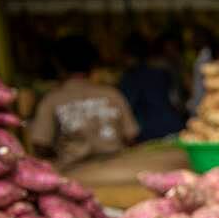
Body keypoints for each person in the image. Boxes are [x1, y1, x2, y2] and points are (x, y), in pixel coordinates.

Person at [30, 35, 139, 167]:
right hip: (116, 172)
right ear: (93, 63)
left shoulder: (52, 100)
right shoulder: (112, 94)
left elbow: (40, 145)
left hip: (75, 175)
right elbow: (131, 136)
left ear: (57, 64)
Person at [119, 33, 185, 141]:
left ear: (128, 55)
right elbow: (176, 101)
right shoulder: (161, 73)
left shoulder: (129, 79)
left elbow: (126, 108)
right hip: (175, 127)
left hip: (151, 133)